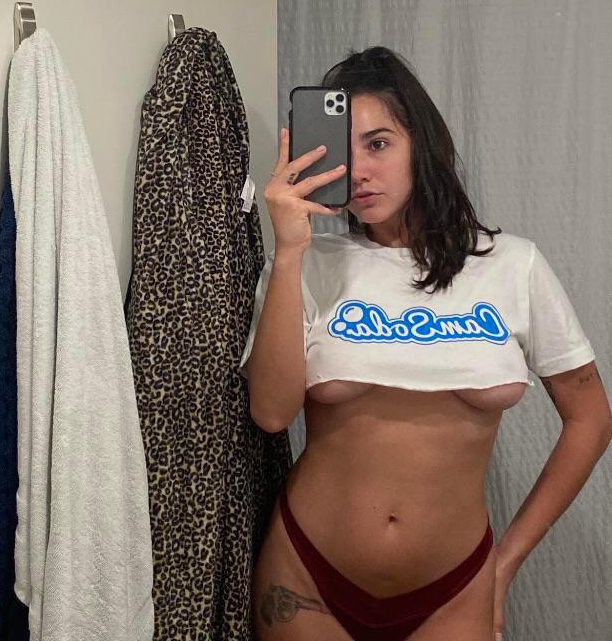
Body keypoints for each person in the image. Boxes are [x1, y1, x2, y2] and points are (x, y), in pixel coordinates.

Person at [239, 46, 612, 641]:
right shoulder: (308, 264)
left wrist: (507, 561)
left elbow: (590, 417)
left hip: (453, 591)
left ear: (423, 145)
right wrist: (287, 253)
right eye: (345, 150)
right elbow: (271, 412)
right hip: (308, 578)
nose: (359, 171)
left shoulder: (513, 266)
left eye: (378, 144)